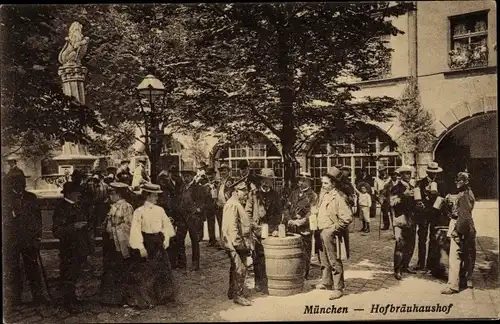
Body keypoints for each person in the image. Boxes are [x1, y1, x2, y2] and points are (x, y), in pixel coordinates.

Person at [127, 183, 176, 309]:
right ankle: (147, 299)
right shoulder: (139, 211)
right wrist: (140, 247)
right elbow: (136, 229)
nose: (157, 198)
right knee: (146, 271)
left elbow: (167, 226)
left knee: (162, 268)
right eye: (155, 195)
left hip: (158, 241)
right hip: (147, 241)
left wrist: (166, 238)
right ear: (148, 196)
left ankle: (163, 296)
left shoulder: (160, 210)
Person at [3, 173, 48, 308]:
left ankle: (38, 296)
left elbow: (37, 219)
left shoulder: (31, 198)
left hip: (29, 239)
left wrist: (38, 236)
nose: (21, 184)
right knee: (13, 269)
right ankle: (14, 298)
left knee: (32, 267)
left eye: (22, 181)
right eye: (17, 182)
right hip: (11, 240)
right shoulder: (6, 199)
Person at [53, 181, 93, 313]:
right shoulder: (61, 208)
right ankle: (68, 302)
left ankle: (73, 298)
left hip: (80, 247)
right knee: (68, 274)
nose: (79, 195)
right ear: (69, 194)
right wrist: (74, 227)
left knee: (75, 273)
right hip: (68, 248)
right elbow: (57, 231)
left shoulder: (78, 206)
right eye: (77, 193)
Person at [313, 167, 353, 300]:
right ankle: (326, 281)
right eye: (322, 183)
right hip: (321, 230)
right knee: (323, 259)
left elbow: (347, 218)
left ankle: (338, 288)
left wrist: (332, 230)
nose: (322, 185)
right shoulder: (324, 194)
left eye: (325, 183)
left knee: (334, 260)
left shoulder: (339, 197)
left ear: (333, 184)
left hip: (330, 232)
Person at [441, 172, 476, 294]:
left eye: (460, 180)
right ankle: (465, 280)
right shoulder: (466, 193)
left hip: (461, 227)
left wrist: (457, 231)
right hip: (468, 227)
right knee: (466, 254)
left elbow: (464, 217)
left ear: (466, 182)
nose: (457, 182)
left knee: (454, 256)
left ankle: (453, 286)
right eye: (456, 179)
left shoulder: (464, 195)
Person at [100, 182, 134, 306]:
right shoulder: (112, 206)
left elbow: (129, 225)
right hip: (111, 241)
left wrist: (115, 229)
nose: (110, 195)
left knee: (121, 268)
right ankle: (110, 297)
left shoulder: (126, 206)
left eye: (112, 193)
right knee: (111, 268)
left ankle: (122, 297)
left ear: (119, 194)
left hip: (121, 241)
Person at [250, 168, 283, 294]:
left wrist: (273, 228)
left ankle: (270, 283)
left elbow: (278, 213)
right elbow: (248, 212)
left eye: (269, 180)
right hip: (257, 230)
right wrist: (253, 226)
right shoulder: (253, 194)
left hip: (270, 230)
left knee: (269, 257)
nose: (266, 183)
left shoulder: (275, 195)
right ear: (261, 180)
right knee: (256, 257)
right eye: (264, 180)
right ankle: (258, 282)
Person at [412, 161, 448, 273]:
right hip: (422, 215)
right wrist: (420, 203)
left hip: (434, 215)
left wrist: (436, 197)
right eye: (431, 173)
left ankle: (431, 264)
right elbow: (416, 198)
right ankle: (421, 263)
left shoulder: (441, 184)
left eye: (435, 173)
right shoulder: (420, 183)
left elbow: (443, 199)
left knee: (434, 239)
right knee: (422, 239)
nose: (433, 175)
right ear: (427, 172)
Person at [221, 179, 252, 306]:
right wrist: (238, 244)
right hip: (234, 242)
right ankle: (238, 295)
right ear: (235, 191)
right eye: (243, 191)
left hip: (234, 242)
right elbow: (232, 226)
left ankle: (232, 291)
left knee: (235, 266)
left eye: (246, 191)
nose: (246, 193)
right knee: (240, 268)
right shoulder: (233, 204)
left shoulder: (235, 203)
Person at [284, 171, 318, 279]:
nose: (302, 182)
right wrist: (289, 219)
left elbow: (312, 212)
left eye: (304, 180)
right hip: (292, 226)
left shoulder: (313, 196)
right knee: (292, 250)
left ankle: (304, 273)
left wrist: (302, 221)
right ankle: (293, 271)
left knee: (305, 250)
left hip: (304, 227)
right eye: (300, 180)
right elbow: (286, 208)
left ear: (309, 182)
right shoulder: (293, 193)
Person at [175, 170, 211, 272]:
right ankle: (182, 263)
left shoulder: (198, 188)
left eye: (187, 176)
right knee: (179, 239)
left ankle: (195, 263)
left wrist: (198, 209)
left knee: (194, 240)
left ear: (192, 176)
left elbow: (205, 201)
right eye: (183, 176)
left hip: (193, 217)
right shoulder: (182, 188)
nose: (185, 178)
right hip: (182, 217)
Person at [390, 165, 416, 280]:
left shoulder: (412, 187)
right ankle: (397, 269)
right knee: (400, 244)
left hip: (411, 219)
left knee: (411, 244)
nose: (408, 176)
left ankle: (406, 265)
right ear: (401, 175)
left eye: (409, 174)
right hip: (400, 219)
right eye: (406, 174)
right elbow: (392, 203)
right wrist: (402, 196)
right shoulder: (396, 188)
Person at [215, 163, 234, 249]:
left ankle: (229, 243)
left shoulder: (231, 181)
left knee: (228, 225)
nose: (223, 172)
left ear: (228, 171)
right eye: (221, 171)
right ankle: (223, 243)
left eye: (225, 170)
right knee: (220, 225)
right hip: (219, 206)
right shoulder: (219, 182)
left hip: (227, 206)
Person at [203, 167, 220, 246]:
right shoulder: (205, 185)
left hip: (218, 206)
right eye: (208, 175)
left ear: (214, 174)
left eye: (211, 174)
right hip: (209, 207)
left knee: (221, 223)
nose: (209, 176)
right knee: (210, 224)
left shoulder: (219, 183)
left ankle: (223, 241)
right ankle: (212, 240)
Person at [374, 166, 391, 230]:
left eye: (384, 170)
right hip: (382, 196)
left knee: (392, 211)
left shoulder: (389, 178)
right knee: (384, 211)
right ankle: (386, 225)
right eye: (381, 171)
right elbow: (375, 188)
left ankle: (395, 225)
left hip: (389, 196)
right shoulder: (377, 179)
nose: (383, 172)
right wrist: (378, 196)